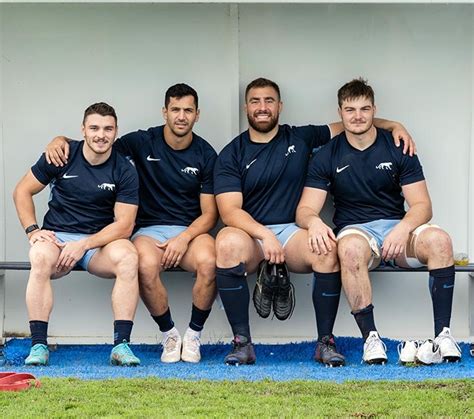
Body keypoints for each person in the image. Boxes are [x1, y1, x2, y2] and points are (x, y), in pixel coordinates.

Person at [213, 77, 415, 366]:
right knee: (226, 242)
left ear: (279, 106)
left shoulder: (300, 137)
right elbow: (229, 212)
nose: (262, 107)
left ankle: (325, 342)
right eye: (256, 101)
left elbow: (353, 121)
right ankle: (242, 344)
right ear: (246, 107)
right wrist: (264, 236)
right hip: (252, 236)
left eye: (269, 101)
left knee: (327, 248)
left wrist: (395, 125)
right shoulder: (232, 152)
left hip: (293, 233)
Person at [45, 84, 218, 363]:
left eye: (188, 110)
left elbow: (210, 214)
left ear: (197, 115)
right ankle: (170, 335)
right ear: (165, 112)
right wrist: (59, 138)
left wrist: (184, 238)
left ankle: (193, 335)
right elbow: (98, 142)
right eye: (175, 109)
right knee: (145, 265)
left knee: (211, 261)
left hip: (190, 232)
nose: (181, 116)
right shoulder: (141, 142)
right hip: (147, 231)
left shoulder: (206, 154)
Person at [296, 78, 461, 365]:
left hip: (398, 229)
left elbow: (423, 205)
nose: (358, 116)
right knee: (348, 249)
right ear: (340, 112)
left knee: (440, 240)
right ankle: (371, 339)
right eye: (350, 110)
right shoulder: (326, 155)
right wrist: (314, 222)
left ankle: (443, 336)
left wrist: (403, 229)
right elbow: (305, 210)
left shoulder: (397, 146)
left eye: (364, 109)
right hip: (358, 232)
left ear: (375, 110)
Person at [13, 102, 141, 366]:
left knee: (129, 256)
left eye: (108, 129)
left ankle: (121, 346)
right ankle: (38, 346)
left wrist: (84, 245)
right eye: (94, 127)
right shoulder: (61, 154)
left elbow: (124, 225)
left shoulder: (124, 168)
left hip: (97, 243)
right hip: (57, 239)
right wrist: (32, 231)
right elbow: (22, 191)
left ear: (116, 132)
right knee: (38, 256)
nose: (100, 135)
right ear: (82, 130)